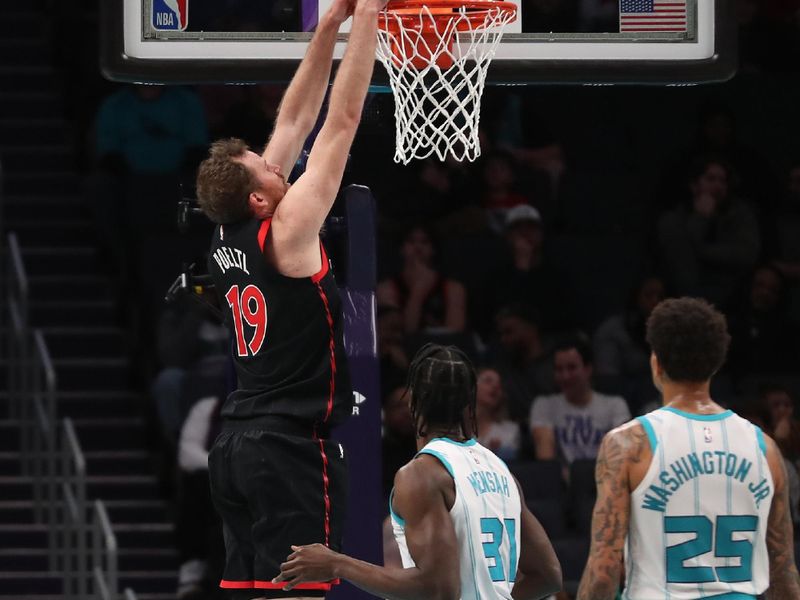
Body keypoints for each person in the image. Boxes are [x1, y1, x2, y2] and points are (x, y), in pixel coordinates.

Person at [193, 0, 384, 596]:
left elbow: (296, 118)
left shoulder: (228, 226)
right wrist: (371, 15)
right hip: (286, 447)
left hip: (235, 446)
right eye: (266, 169)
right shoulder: (290, 227)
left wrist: (329, 25)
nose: (279, 166)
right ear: (258, 197)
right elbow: (342, 120)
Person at [273, 344, 563, 600]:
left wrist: (336, 563)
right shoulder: (503, 472)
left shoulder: (422, 473)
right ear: (468, 404)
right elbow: (548, 577)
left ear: (412, 401)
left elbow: (439, 589)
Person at [576, 297, 800, 599]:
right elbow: (784, 572)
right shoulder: (765, 447)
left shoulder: (629, 444)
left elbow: (604, 570)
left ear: (656, 362)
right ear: (716, 364)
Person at [529, 335, 630, 468]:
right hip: (562, 485)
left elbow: (621, 458)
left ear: (588, 369)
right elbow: (547, 466)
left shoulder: (615, 405)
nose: (565, 376)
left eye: (571, 368)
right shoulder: (544, 405)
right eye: (559, 369)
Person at [475, 367, 522, 462]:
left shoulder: (510, 431)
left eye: (499, 385)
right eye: (488, 381)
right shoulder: (457, 430)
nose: (495, 386)